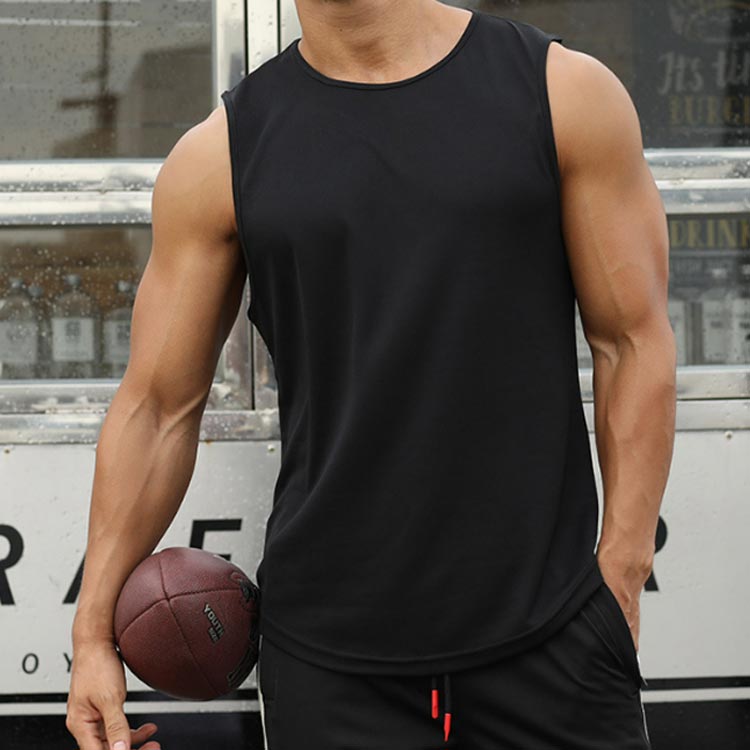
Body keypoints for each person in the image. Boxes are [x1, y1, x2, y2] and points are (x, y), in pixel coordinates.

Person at [66, 1, 677, 748]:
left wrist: (621, 574)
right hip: (331, 668)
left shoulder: (560, 92)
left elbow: (632, 341)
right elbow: (158, 408)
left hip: (553, 642)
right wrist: (92, 636)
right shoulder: (221, 154)